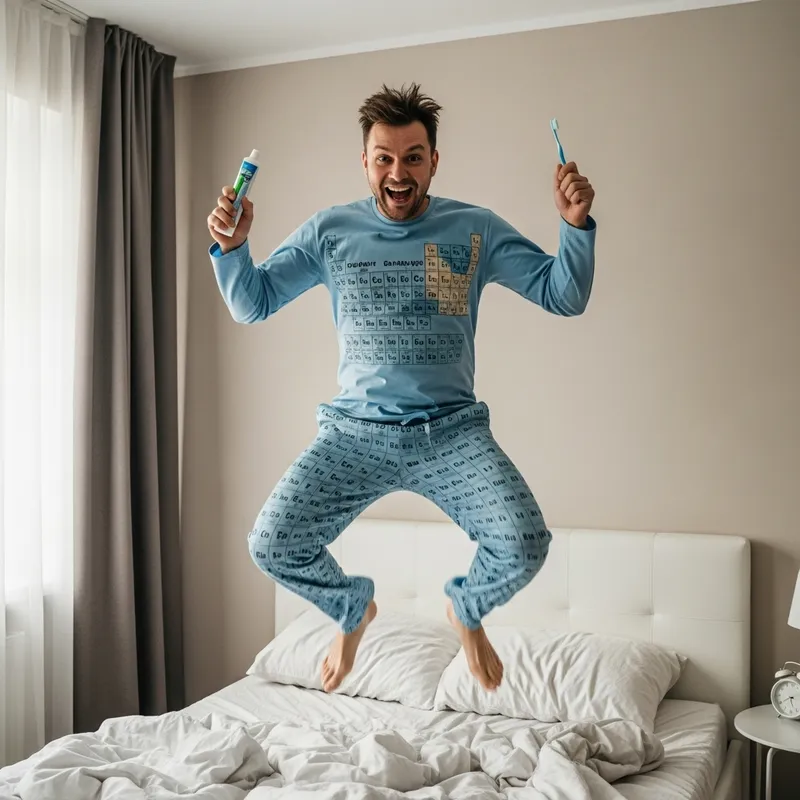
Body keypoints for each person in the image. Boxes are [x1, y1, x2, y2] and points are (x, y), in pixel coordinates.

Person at [206, 83, 596, 694]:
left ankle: (466, 608)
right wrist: (232, 248)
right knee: (272, 543)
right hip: (354, 437)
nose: (398, 170)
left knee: (523, 542)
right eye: (383, 157)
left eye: (413, 156)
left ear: (433, 162)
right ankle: (351, 607)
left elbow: (563, 294)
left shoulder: (474, 228)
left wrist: (575, 227)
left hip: (451, 434)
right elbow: (252, 303)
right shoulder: (329, 232)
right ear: (365, 163)